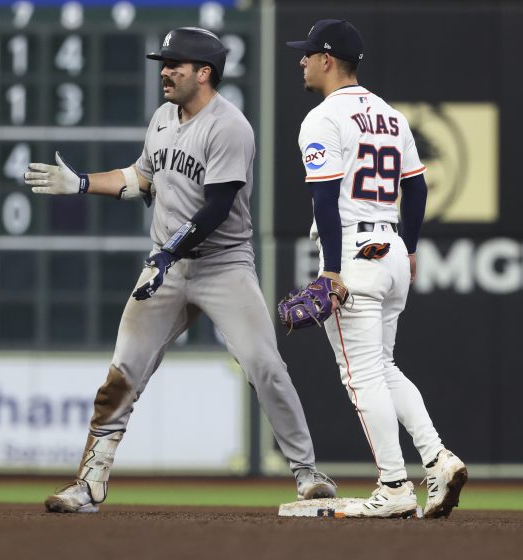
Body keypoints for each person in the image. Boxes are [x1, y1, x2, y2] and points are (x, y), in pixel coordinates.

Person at [24, 27, 337, 513]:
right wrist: (83, 182)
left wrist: (165, 254)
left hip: (223, 265)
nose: (165, 71)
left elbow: (215, 210)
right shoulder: (163, 118)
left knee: (265, 365)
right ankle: (89, 485)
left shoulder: (229, 126)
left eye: (175, 64)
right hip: (166, 265)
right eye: (164, 63)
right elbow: (140, 178)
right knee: (122, 375)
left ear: (204, 73)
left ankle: (306, 473)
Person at [284, 19, 467, 518]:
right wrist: (408, 246)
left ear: (327, 59)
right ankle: (438, 458)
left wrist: (333, 271)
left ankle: (394, 486)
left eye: (307, 54)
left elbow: (324, 196)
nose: (301, 60)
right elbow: (419, 186)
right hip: (390, 249)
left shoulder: (323, 118)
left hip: (354, 254)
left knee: (360, 375)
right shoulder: (390, 115)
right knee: (383, 368)